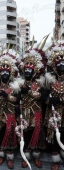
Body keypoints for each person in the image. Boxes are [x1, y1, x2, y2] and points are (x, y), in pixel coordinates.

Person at [18, 37, 48, 168]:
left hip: (36, 112)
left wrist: (30, 92)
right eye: (26, 70)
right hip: (23, 112)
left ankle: (36, 156)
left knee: (37, 133)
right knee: (25, 133)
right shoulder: (19, 83)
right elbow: (15, 96)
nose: (28, 72)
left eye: (30, 70)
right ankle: (26, 156)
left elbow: (44, 97)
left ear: (35, 70)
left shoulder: (41, 83)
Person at [0, 48, 21, 169]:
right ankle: (0, 154)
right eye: (2, 71)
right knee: (0, 134)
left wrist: (8, 96)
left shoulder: (15, 86)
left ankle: (9, 156)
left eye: (6, 72)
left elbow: (17, 100)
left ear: (10, 73)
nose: (4, 73)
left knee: (10, 134)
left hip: (10, 114)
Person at [45, 41, 64, 170]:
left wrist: (60, 99)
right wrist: (49, 100)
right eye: (58, 62)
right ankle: (55, 158)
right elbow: (44, 96)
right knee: (53, 134)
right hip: (53, 113)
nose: (61, 64)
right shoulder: (49, 78)